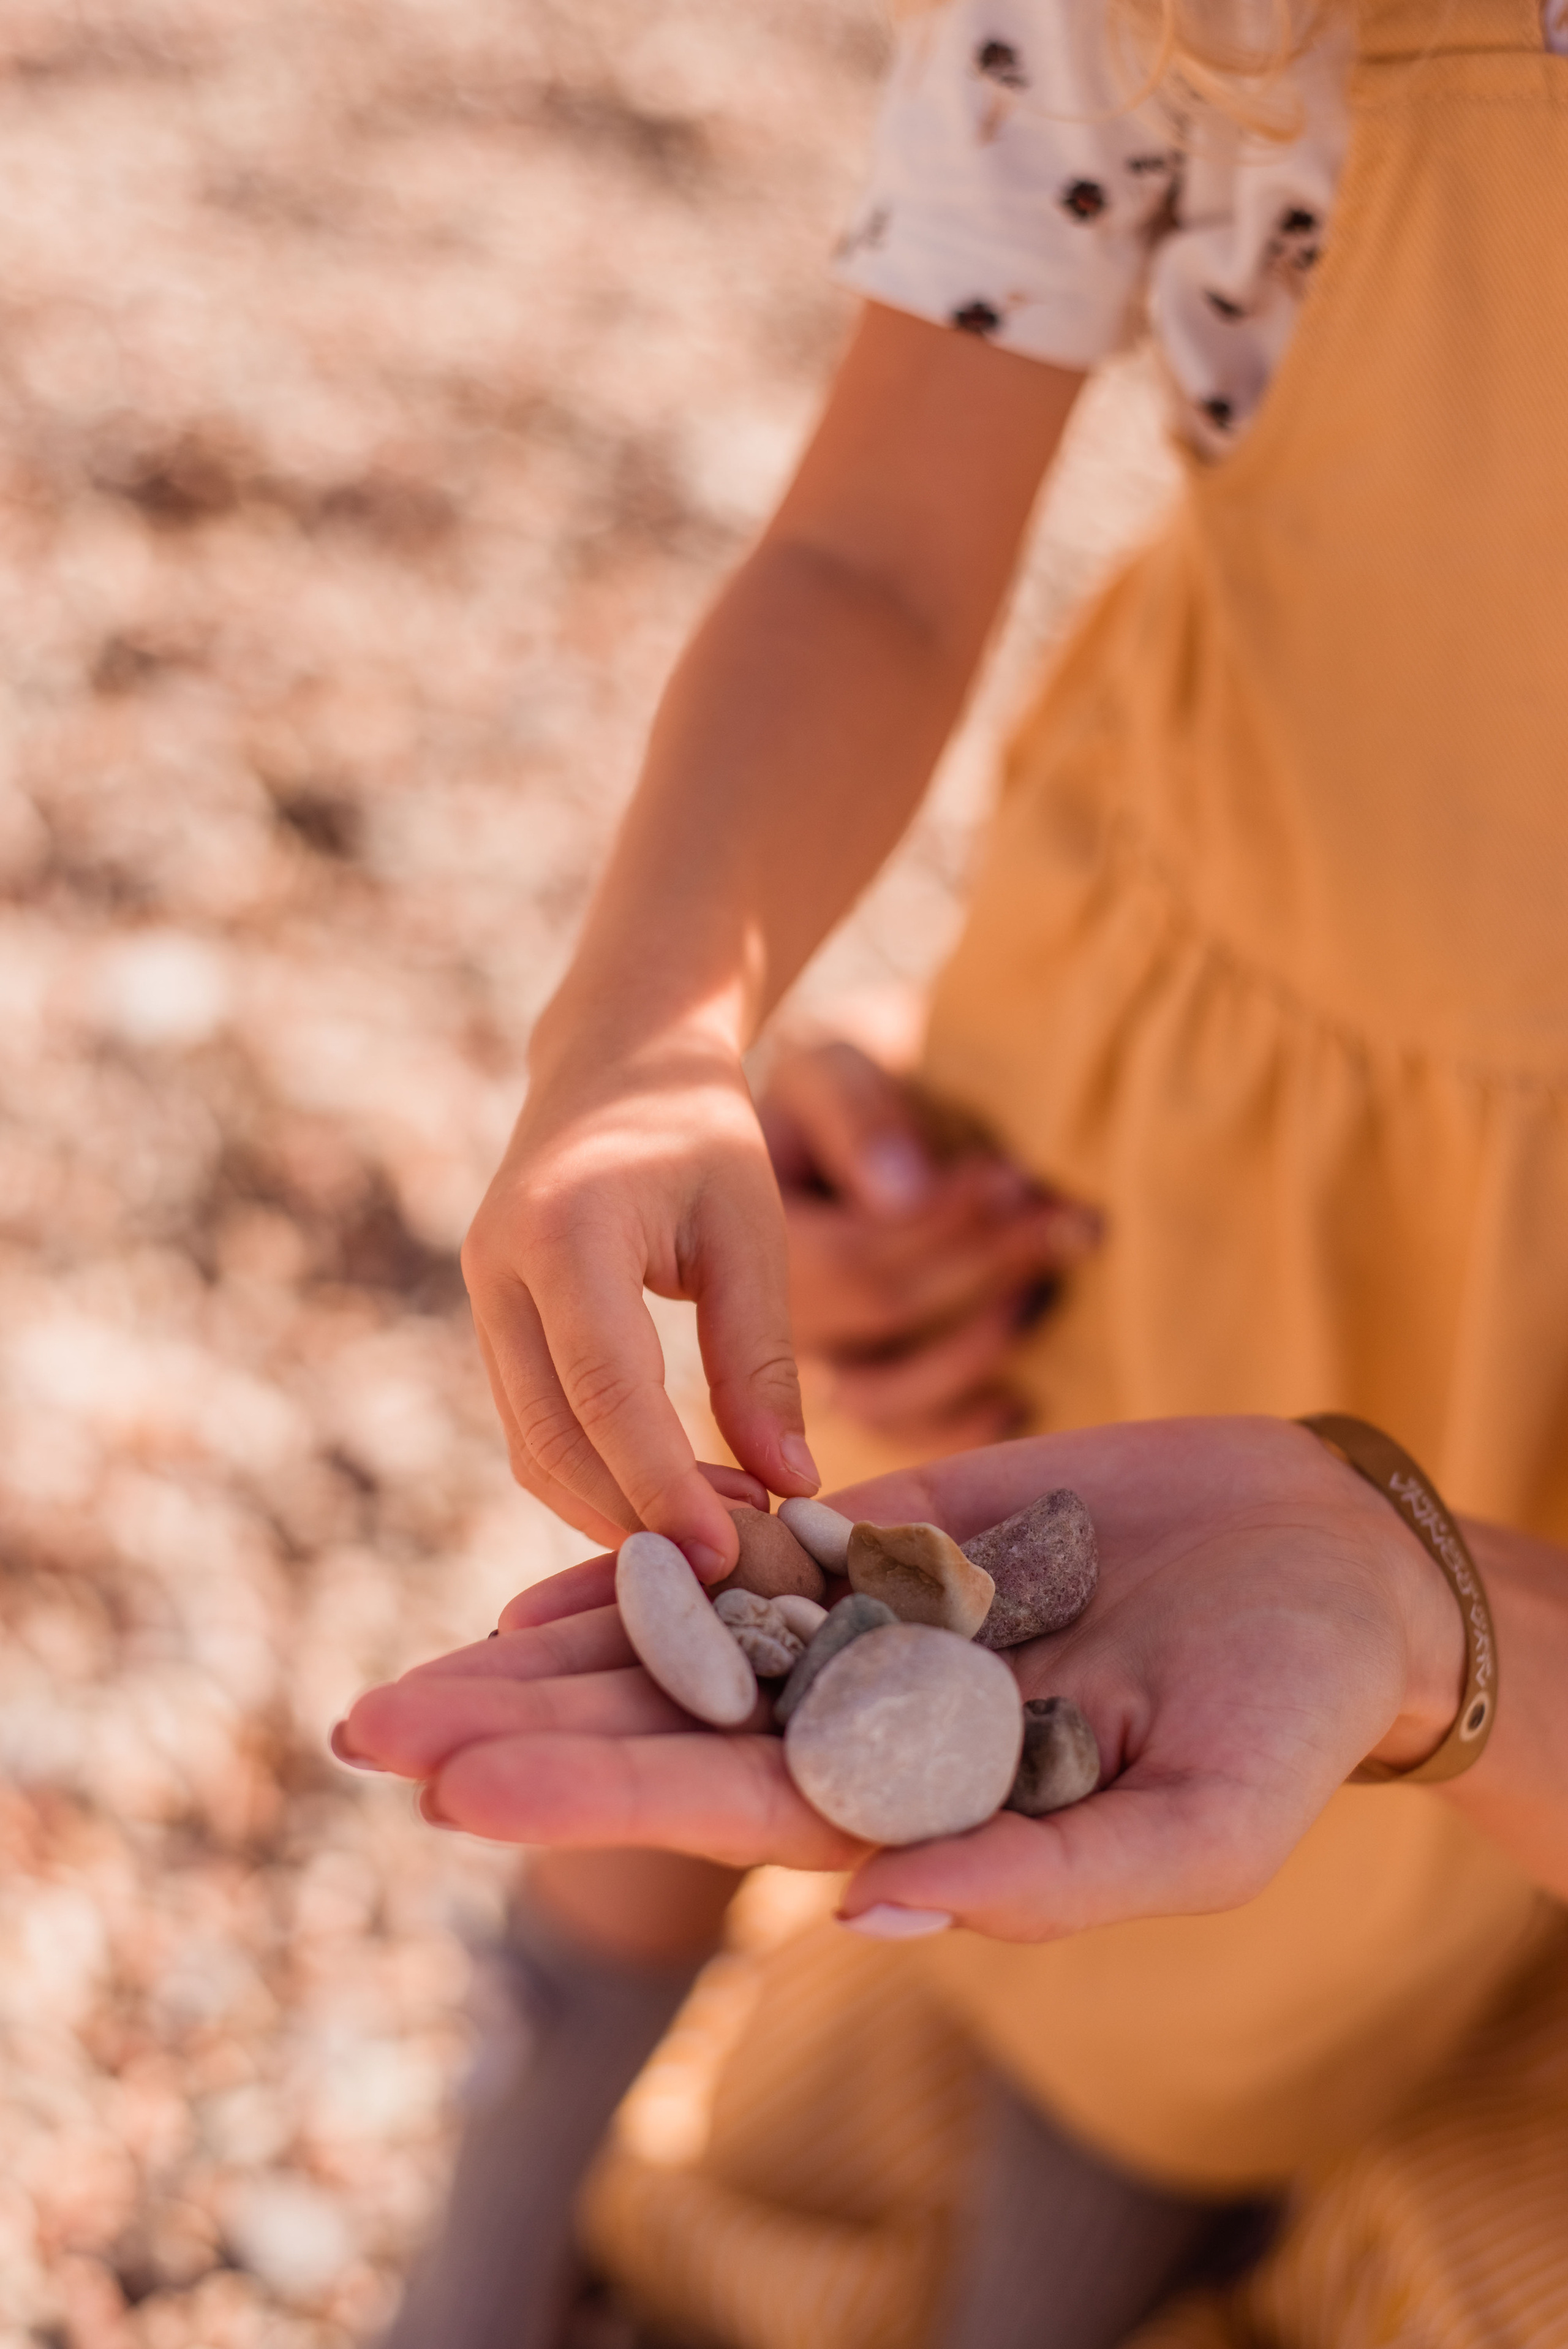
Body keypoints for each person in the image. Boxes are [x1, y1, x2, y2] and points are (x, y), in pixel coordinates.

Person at [348, 0, 1568, 2342]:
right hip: (1159, 1072)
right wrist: (643, 1032)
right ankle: (502, 2206)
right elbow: (882, 556)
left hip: (1525, 1354)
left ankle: (1059, 2266)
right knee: (748, 1600)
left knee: (1245, 1906)